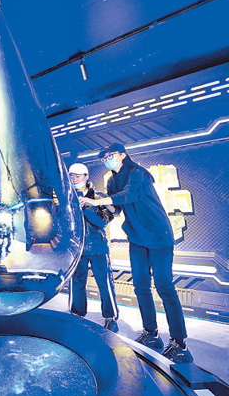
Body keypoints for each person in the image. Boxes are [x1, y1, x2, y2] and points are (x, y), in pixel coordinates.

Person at [81, 143, 193, 363]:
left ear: (123, 155)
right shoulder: (112, 180)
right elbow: (117, 208)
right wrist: (98, 204)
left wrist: (96, 200)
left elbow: (130, 194)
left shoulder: (137, 173)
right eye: (104, 157)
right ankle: (151, 334)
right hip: (137, 238)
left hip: (159, 236)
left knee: (164, 286)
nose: (107, 159)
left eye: (111, 155)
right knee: (141, 286)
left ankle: (180, 343)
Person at [68, 162, 119, 332]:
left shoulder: (99, 197)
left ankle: (110, 318)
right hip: (77, 248)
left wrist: (86, 207)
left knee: (105, 283)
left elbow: (103, 221)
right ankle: (77, 314)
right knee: (77, 283)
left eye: (78, 176)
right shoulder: (67, 197)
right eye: (71, 176)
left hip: (98, 247)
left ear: (86, 177)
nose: (74, 179)